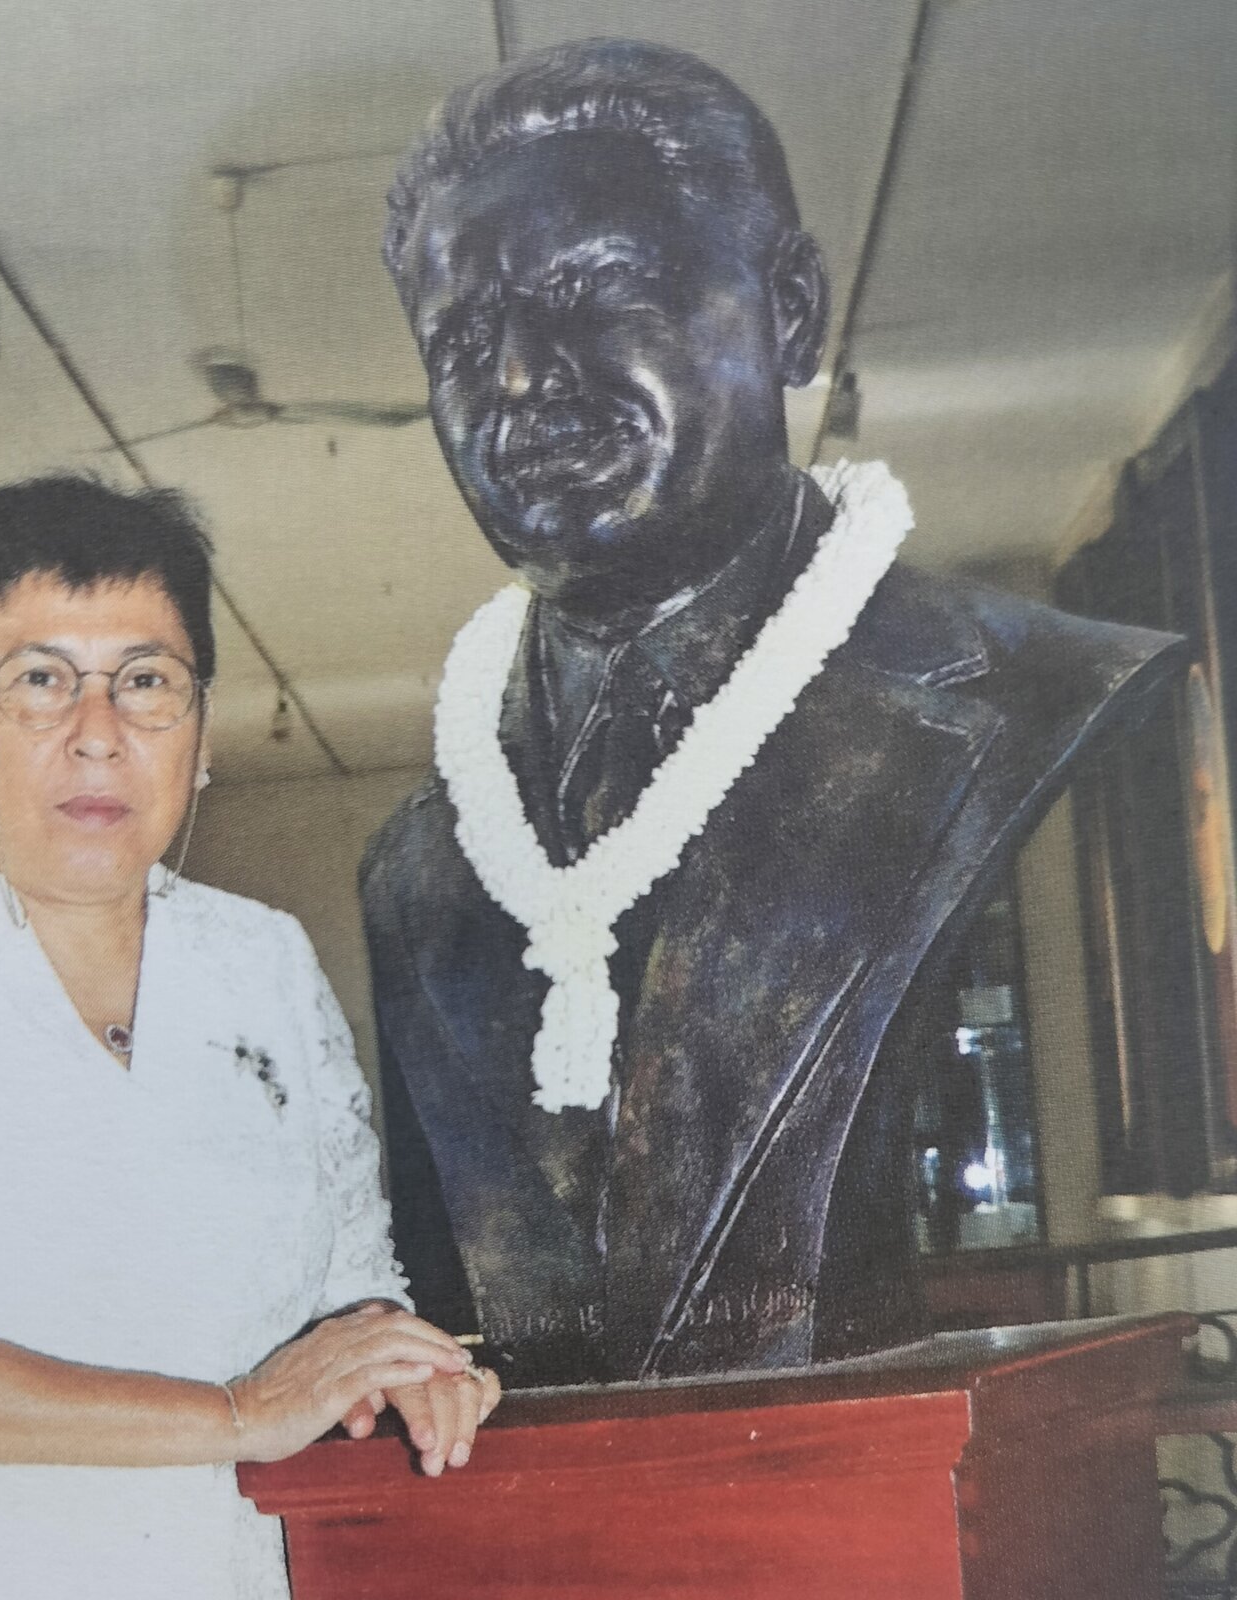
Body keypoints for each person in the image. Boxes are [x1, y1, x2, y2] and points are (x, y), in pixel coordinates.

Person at [362, 38, 1182, 1387]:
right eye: (461, 339)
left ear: (790, 310)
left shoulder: (1031, 689)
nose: (515, 378)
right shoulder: (418, 868)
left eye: (595, 293)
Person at [0, 475, 500, 1600]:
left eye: (146, 682)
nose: (98, 737)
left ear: (199, 729)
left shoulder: (262, 960)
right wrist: (237, 1414)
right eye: (38, 682)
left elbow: (351, 1274)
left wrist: (399, 1359)